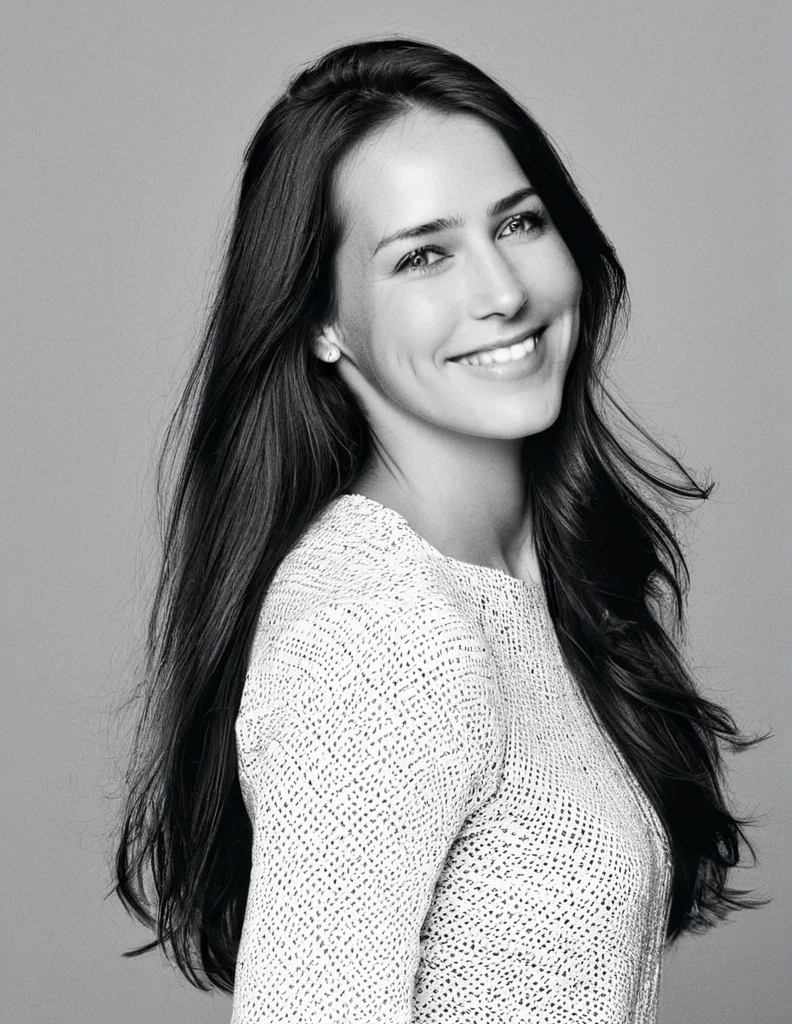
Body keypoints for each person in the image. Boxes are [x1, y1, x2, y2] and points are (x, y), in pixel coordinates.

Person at [113, 37, 762, 1023]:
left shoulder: (532, 579)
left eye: (520, 222)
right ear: (322, 321)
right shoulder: (377, 631)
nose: (502, 292)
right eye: (424, 254)